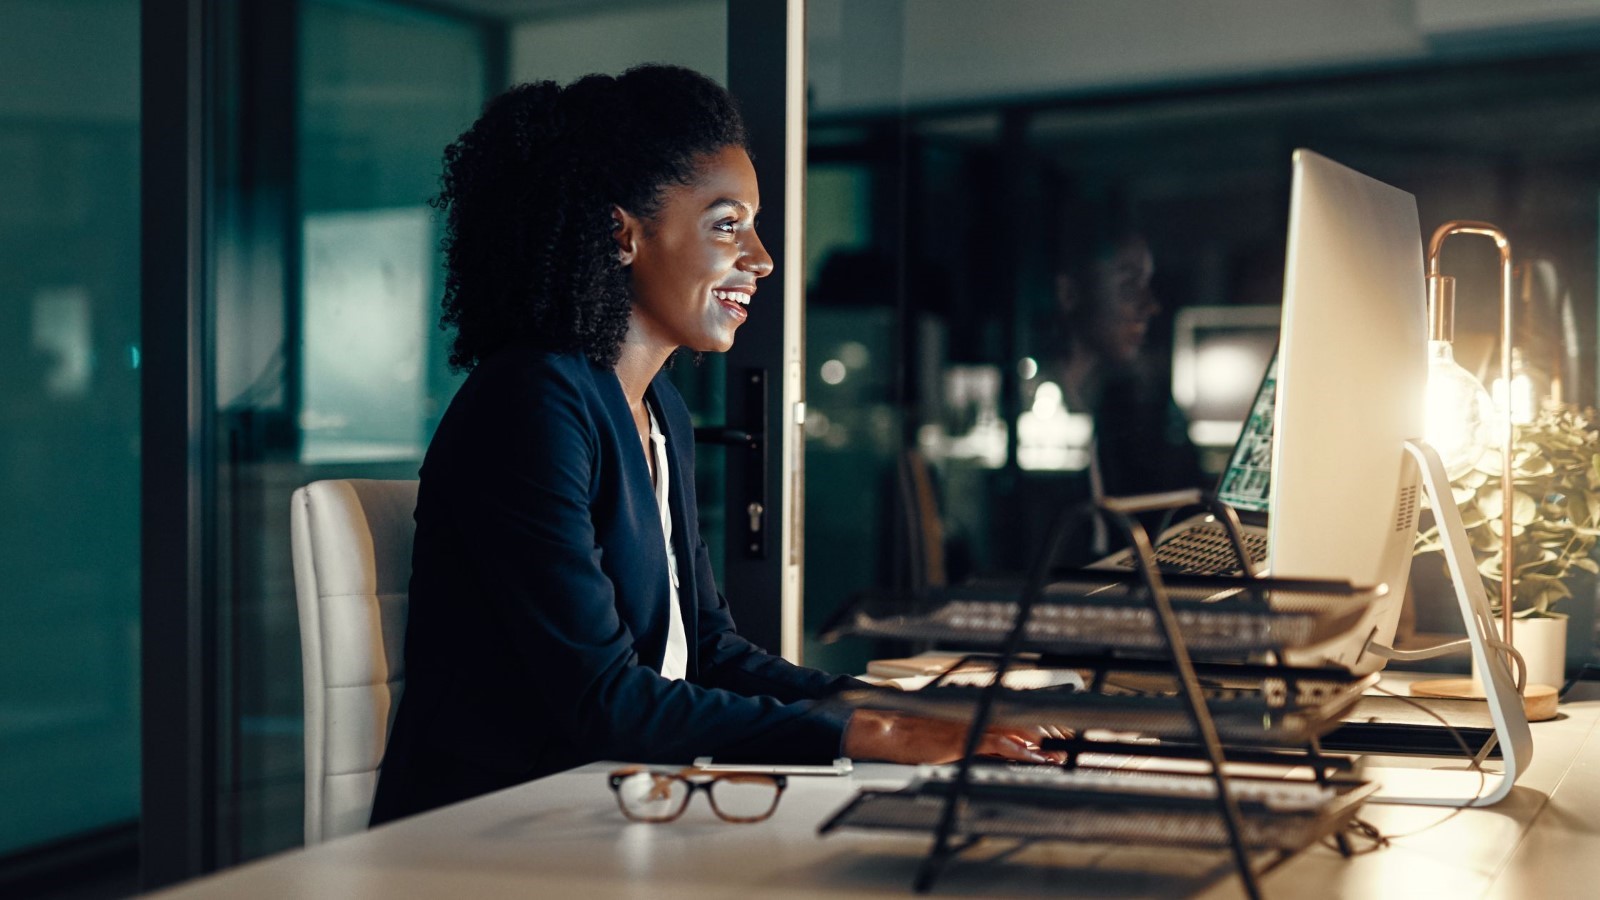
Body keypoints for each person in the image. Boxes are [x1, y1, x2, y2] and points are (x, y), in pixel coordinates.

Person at [369, 65, 1053, 826]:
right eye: (727, 224)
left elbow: (710, 648)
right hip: (500, 827)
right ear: (619, 232)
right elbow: (605, 701)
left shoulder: (659, 408)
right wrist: (875, 732)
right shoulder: (531, 403)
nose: (760, 258)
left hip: (622, 802)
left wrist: (893, 708)